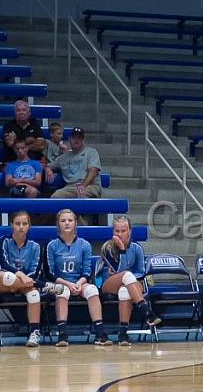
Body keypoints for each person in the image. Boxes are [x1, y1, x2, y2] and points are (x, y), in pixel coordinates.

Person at [0, 211, 64, 348]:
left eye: (24, 224)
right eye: (17, 223)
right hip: (3, 281)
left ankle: (34, 333)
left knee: (34, 294)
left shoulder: (35, 246)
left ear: (29, 226)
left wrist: (26, 280)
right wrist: (21, 275)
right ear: (11, 225)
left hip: (27, 284)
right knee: (7, 276)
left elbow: (35, 271)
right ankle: (44, 285)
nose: (21, 227)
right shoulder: (2, 241)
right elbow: (3, 264)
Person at [47, 209, 110, 346]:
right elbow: (51, 273)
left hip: (79, 282)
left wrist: (79, 283)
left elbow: (86, 272)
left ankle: (100, 333)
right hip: (58, 283)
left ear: (76, 223)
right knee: (61, 291)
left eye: (70, 220)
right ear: (58, 224)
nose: (67, 223)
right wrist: (68, 284)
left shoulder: (84, 245)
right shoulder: (52, 245)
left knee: (92, 289)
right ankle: (62, 335)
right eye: (63, 221)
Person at [98, 215, 162, 346]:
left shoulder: (137, 248)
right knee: (126, 275)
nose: (120, 234)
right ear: (113, 232)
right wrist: (121, 250)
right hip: (107, 283)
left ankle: (123, 334)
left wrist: (130, 280)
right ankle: (146, 310)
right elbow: (118, 272)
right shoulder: (107, 247)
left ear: (130, 231)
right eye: (117, 231)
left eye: (123, 231)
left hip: (130, 283)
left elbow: (141, 271)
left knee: (124, 291)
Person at [46, 127, 102, 199]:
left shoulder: (91, 152)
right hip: (71, 187)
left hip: (90, 186)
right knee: (56, 196)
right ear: (69, 139)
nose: (76, 140)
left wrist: (83, 185)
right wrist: (48, 169)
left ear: (83, 140)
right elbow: (47, 166)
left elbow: (93, 171)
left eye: (79, 138)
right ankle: (65, 211)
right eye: (74, 138)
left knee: (81, 194)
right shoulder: (63, 158)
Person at [1, 99, 46, 163]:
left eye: (24, 110)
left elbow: (41, 145)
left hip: (33, 162)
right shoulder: (8, 125)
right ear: (15, 113)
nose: (21, 112)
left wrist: (18, 143)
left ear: (29, 113)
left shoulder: (35, 124)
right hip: (13, 163)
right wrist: (30, 141)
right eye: (18, 110)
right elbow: (10, 143)